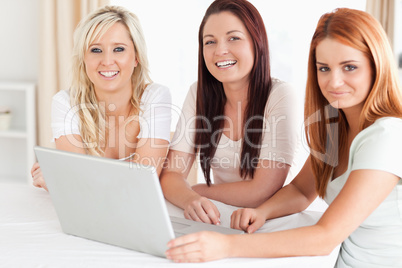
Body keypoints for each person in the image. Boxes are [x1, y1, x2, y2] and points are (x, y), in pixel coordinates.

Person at [165, 8, 402, 267]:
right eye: (324, 68)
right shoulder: (336, 130)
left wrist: (225, 245)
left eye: (349, 67)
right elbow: (301, 190)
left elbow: (325, 237)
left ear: (376, 66)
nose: (334, 81)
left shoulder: (387, 136)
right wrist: (262, 212)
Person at [160, 0, 302, 225]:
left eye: (233, 38)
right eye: (210, 42)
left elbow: (262, 190)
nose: (220, 51)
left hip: (273, 221)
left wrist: (197, 191)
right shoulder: (198, 93)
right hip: (223, 217)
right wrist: (189, 200)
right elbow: (171, 176)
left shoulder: (281, 95)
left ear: (257, 43)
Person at [31, 6, 171, 191]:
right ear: (84, 58)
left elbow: (141, 187)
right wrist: (68, 180)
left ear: (136, 57)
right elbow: (78, 187)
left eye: (119, 49)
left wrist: (59, 180)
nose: (107, 61)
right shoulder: (65, 103)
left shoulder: (155, 97)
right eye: (96, 50)